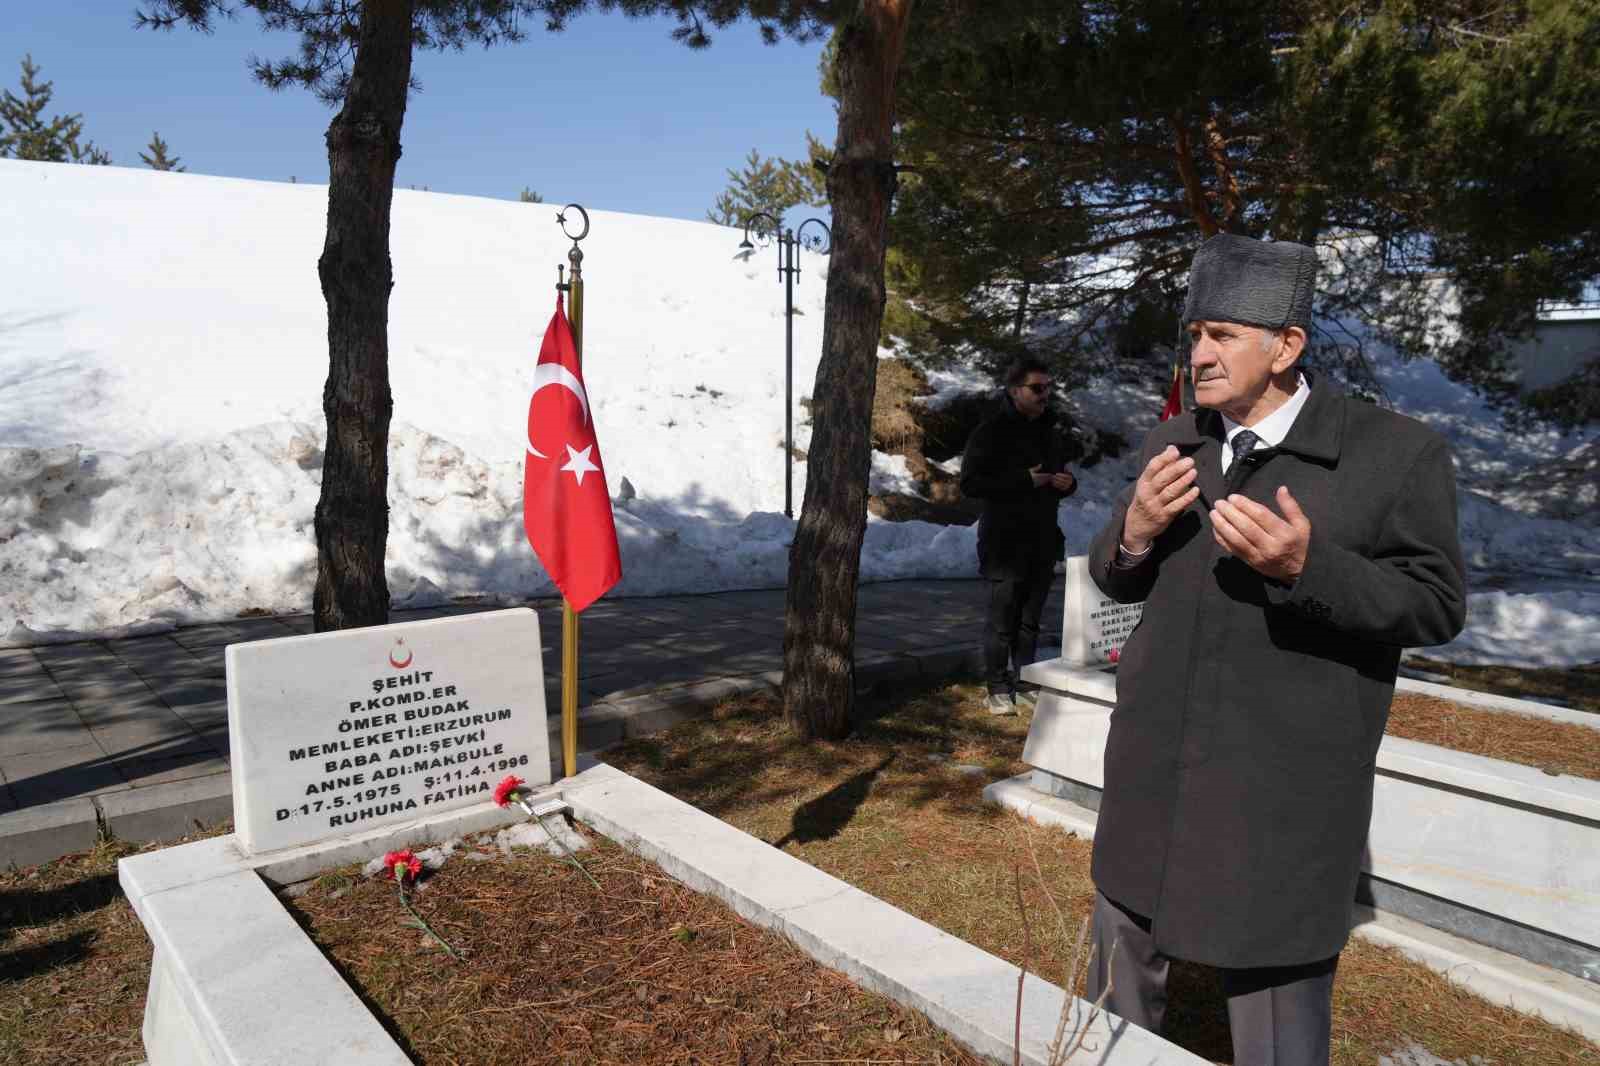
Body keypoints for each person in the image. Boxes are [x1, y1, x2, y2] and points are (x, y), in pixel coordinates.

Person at [1083, 234, 1466, 1066]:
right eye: (1193, 335)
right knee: (1113, 1020)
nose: (1200, 354)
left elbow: (1436, 606)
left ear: (1286, 346)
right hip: (1151, 781)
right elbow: (1114, 581)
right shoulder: (1175, 443)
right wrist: (1134, 534)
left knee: (1278, 1030)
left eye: (1222, 334)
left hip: (1280, 801)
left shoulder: (1394, 455)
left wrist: (1308, 568)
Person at [959, 357, 1078, 715]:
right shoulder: (991, 431)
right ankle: (997, 687)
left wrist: (1067, 484)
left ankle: (1025, 681)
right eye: (1037, 388)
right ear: (1015, 391)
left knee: (1030, 620)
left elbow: (1060, 479)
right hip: (1004, 543)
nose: (1045, 395)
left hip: (1042, 539)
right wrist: (1024, 480)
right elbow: (971, 484)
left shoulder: (1051, 431)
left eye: (1048, 388)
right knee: (1002, 621)